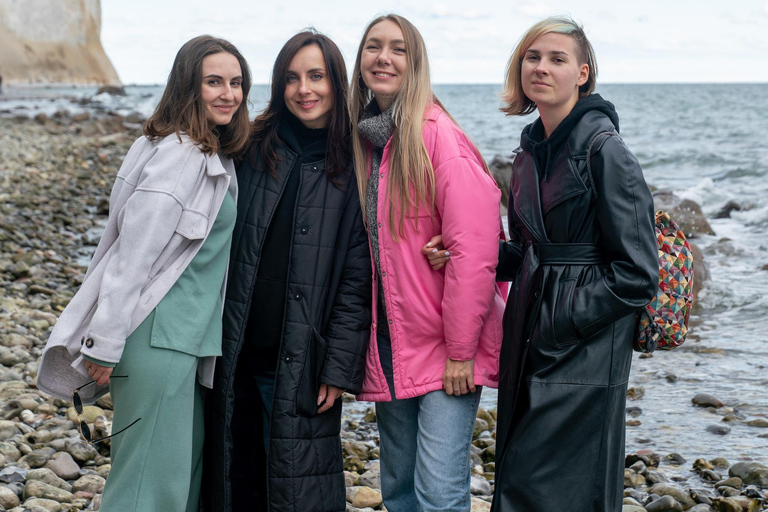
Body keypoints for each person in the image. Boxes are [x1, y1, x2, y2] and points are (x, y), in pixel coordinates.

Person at [37, 35, 251, 512]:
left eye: (236, 83)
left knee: (176, 484)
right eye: (213, 82)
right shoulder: (181, 155)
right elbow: (131, 255)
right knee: (145, 492)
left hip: (183, 344)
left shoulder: (205, 152)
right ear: (188, 87)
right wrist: (104, 344)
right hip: (157, 341)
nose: (228, 94)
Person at [488, 17, 658, 512]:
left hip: (581, 343)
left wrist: (563, 320)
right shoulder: (529, 152)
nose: (541, 67)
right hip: (529, 331)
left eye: (557, 59)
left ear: (582, 74)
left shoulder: (605, 149)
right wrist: (470, 256)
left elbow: (638, 272)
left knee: (548, 487)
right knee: (521, 483)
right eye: (533, 57)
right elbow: (531, 249)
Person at [202, 30, 371, 512]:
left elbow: (358, 282)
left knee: (298, 491)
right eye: (292, 78)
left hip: (300, 361)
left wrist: (338, 368)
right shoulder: (251, 147)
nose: (304, 89)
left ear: (338, 83)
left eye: (317, 76)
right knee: (235, 482)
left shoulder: (355, 163)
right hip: (232, 353)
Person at [349, 14, 506, 512]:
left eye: (398, 49)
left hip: (445, 349)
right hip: (392, 343)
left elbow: (476, 250)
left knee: (439, 494)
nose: (383, 57)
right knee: (397, 490)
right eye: (373, 47)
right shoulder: (369, 140)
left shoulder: (438, 136)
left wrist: (461, 350)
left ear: (415, 63)